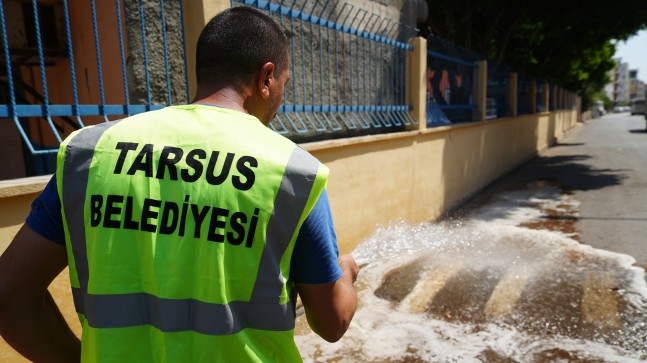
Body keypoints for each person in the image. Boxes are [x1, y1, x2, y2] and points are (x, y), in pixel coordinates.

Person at [0, 6, 358, 362]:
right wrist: (346, 272)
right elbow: (333, 322)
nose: (281, 97)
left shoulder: (90, 154)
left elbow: (9, 296)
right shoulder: (290, 173)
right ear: (266, 78)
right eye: (284, 83)